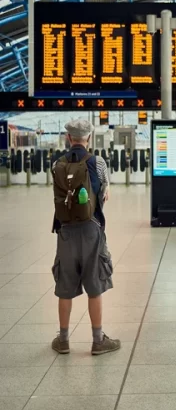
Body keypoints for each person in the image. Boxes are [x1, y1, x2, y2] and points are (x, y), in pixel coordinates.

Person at [51, 118, 120, 355]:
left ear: (69, 138)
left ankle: (63, 340)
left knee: (65, 285)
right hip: (92, 230)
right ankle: (98, 340)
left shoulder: (56, 164)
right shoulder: (97, 162)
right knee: (95, 284)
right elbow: (105, 194)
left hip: (66, 231)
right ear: (88, 138)